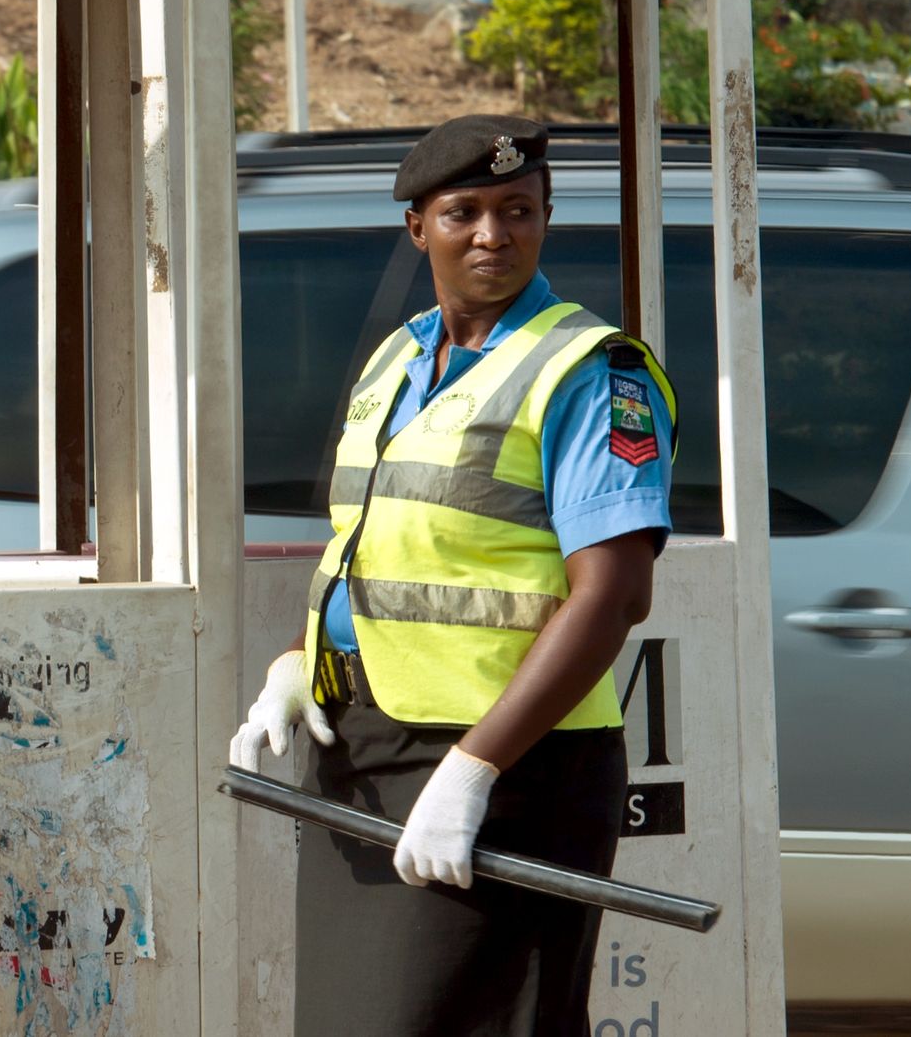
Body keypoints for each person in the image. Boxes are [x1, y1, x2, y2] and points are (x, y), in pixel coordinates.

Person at [229, 114, 676, 1037]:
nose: (491, 234)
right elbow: (385, 549)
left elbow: (615, 596)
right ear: (417, 228)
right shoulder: (400, 358)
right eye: (463, 212)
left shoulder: (592, 371)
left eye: (517, 210)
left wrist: (476, 769)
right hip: (365, 751)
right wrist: (301, 664)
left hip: (510, 765)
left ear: (547, 217)